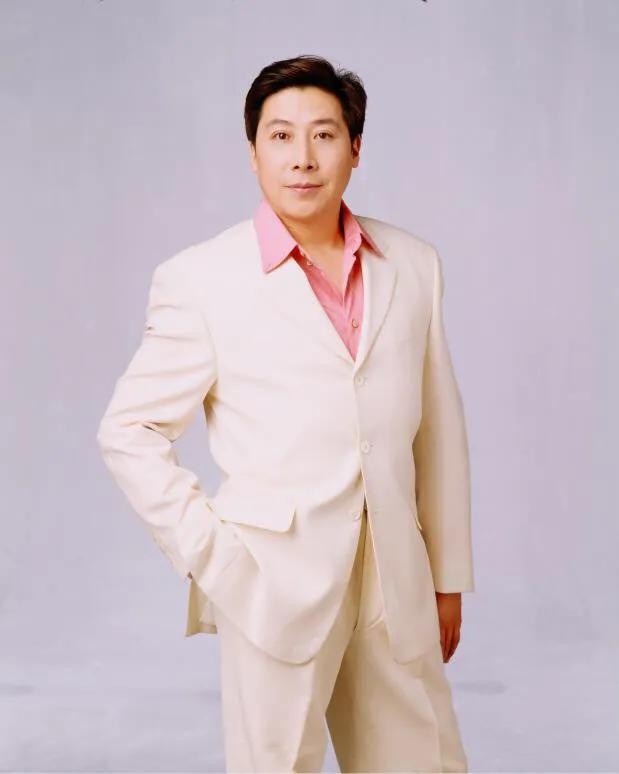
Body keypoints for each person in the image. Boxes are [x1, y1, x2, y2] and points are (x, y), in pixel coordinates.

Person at [97, 53, 475, 773]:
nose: (303, 157)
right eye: (280, 136)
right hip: (271, 584)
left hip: (396, 584)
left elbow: (439, 431)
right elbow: (128, 431)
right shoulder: (201, 279)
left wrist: (448, 576)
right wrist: (214, 558)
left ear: (355, 148)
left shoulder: (413, 263)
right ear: (254, 152)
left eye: (324, 135)